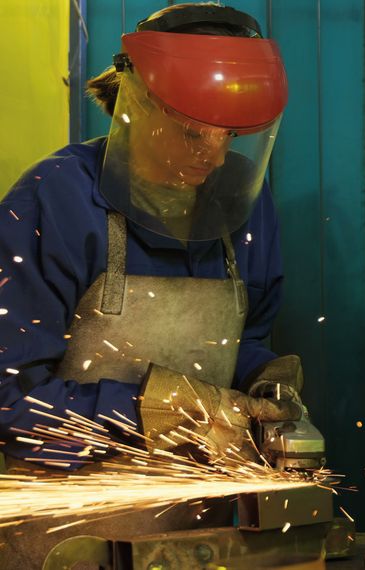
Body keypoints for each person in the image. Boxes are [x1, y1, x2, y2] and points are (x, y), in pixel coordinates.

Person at [0, 0, 308, 510]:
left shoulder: (242, 199)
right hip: (70, 520)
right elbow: (7, 398)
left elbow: (234, 342)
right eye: (192, 132)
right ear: (137, 101)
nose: (212, 157)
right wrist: (148, 409)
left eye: (229, 136)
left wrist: (260, 375)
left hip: (205, 512)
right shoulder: (55, 199)